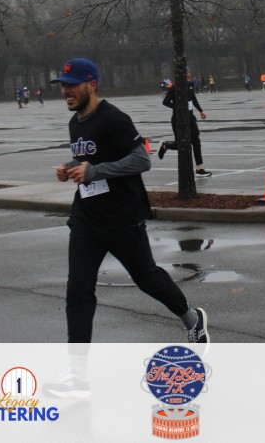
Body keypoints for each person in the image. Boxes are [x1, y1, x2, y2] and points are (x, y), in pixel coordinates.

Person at [50, 57, 209, 349]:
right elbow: (89, 159)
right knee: (78, 291)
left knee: (147, 278)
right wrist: (70, 168)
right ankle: (77, 369)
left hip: (121, 217)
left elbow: (141, 160)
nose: (66, 91)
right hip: (86, 218)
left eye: (72, 85)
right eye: (63, 85)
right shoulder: (75, 123)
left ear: (92, 85)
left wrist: (93, 172)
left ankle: (191, 318)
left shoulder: (113, 118)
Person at [158, 70, 211, 177]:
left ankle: (199, 169)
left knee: (196, 142)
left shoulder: (190, 85)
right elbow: (165, 102)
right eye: (186, 73)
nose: (188, 75)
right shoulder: (175, 87)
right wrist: (178, 107)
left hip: (190, 118)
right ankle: (165, 146)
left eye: (189, 73)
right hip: (178, 119)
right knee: (180, 145)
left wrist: (201, 111)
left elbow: (193, 98)